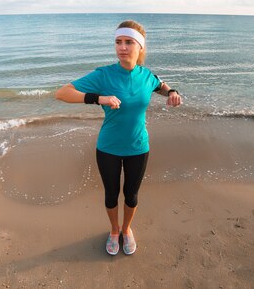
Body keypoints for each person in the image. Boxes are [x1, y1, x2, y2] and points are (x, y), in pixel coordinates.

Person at [54, 20, 182, 255]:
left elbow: (161, 85)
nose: (122, 47)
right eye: (118, 42)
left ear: (140, 47)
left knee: (131, 195)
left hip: (138, 147)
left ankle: (127, 229)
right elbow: (62, 93)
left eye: (128, 42)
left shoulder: (146, 75)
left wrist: (172, 92)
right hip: (108, 148)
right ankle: (114, 231)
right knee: (111, 194)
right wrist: (99, 98)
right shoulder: (104, 75)